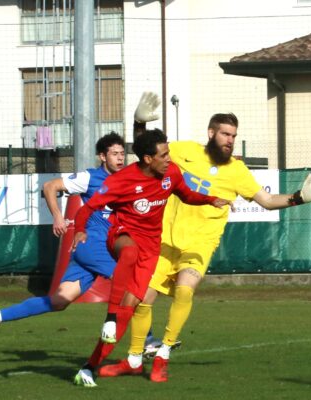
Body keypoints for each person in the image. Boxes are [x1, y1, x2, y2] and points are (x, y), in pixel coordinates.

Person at [97, 92, 311, 383]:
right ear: (211, 133)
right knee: (143, 298)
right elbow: (147, 155)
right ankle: (134, 359)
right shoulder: (184, 151)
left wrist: (300, 197)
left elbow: (267, 200)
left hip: (199, 244)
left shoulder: (237, 171)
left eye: (233, 135)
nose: (230, 140)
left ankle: (163, 355)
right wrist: (139, 124)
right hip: (164, 241)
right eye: (225, 133)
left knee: (185, 290)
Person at [72, 128, 232, 387]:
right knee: (129, 253)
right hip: (122, 236)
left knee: (131, 307)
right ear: (148, 159)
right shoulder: (121, 181)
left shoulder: (171, 174)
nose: (169, 158)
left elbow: (187, 194)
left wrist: (210, 200)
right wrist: (80, 230)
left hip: (150, 250)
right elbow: (88, 207)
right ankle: (110, 317)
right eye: (164, 154)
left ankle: (89, 367)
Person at [0, 132, 126, 341]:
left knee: (59, 301)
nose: (120, 158)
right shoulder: (90, 177)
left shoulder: (126, 179)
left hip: (95, 247)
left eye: (122, 154)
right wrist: (57, 216)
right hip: (92, 244)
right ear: (102, 156)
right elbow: (50, 186)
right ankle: (148, 341)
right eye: (114, 154)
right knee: (129, 285)